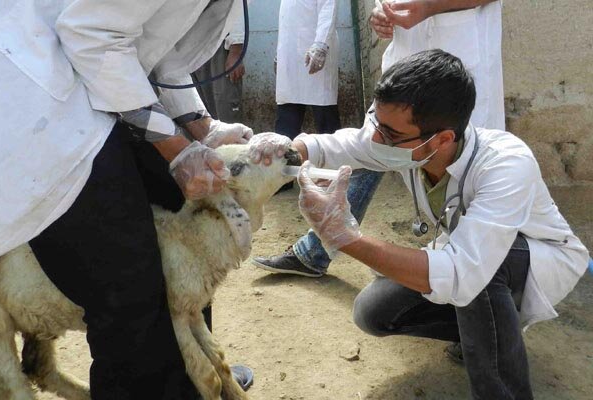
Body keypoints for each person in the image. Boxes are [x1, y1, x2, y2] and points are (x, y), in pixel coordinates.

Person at [248, 49, 590, 399]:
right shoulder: (403, 141)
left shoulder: (506, 164)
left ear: (442, 139)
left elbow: (463, 270)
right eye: (377, 124)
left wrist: (344, 237)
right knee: (374, 311)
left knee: (481, 274)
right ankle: (480, 331)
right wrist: (290, 148)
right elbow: (340, 144)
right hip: (470, 261)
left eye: (391, 134)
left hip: (532, 264)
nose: (377, 140)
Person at [0, 0, 254, 398]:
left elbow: (156, 50)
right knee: (128, 291)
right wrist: (176, 147)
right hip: (41, 109)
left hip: (91, 81)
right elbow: (91, 36)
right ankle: (151, 380)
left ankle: (190, 375)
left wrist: (201, 128)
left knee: (175, 230)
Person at [253, 0, 504, 274]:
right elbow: (359, 145)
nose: (378, 137)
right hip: (407, 67)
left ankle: (475, 263)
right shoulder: (388, 133)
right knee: (381, 146)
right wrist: (294, 149)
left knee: (466, 212)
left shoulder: (500, 164)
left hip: (453, 71)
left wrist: (428, 7)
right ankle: (317, 249)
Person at [274, 0, 341, 191]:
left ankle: (333, 175)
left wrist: (321, 44)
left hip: (314, 50)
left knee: (325, 118)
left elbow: (328, 9)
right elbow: (288, 20)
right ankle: (281, 178)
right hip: (291, 56)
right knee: (286, 119)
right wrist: (280, 53)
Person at [193, 15, 246, 123]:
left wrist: (236, 50)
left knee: (225, 110)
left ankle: (231, 139)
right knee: (198, 111)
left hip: (220, 39)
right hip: (191, 44)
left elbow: (238, 6)